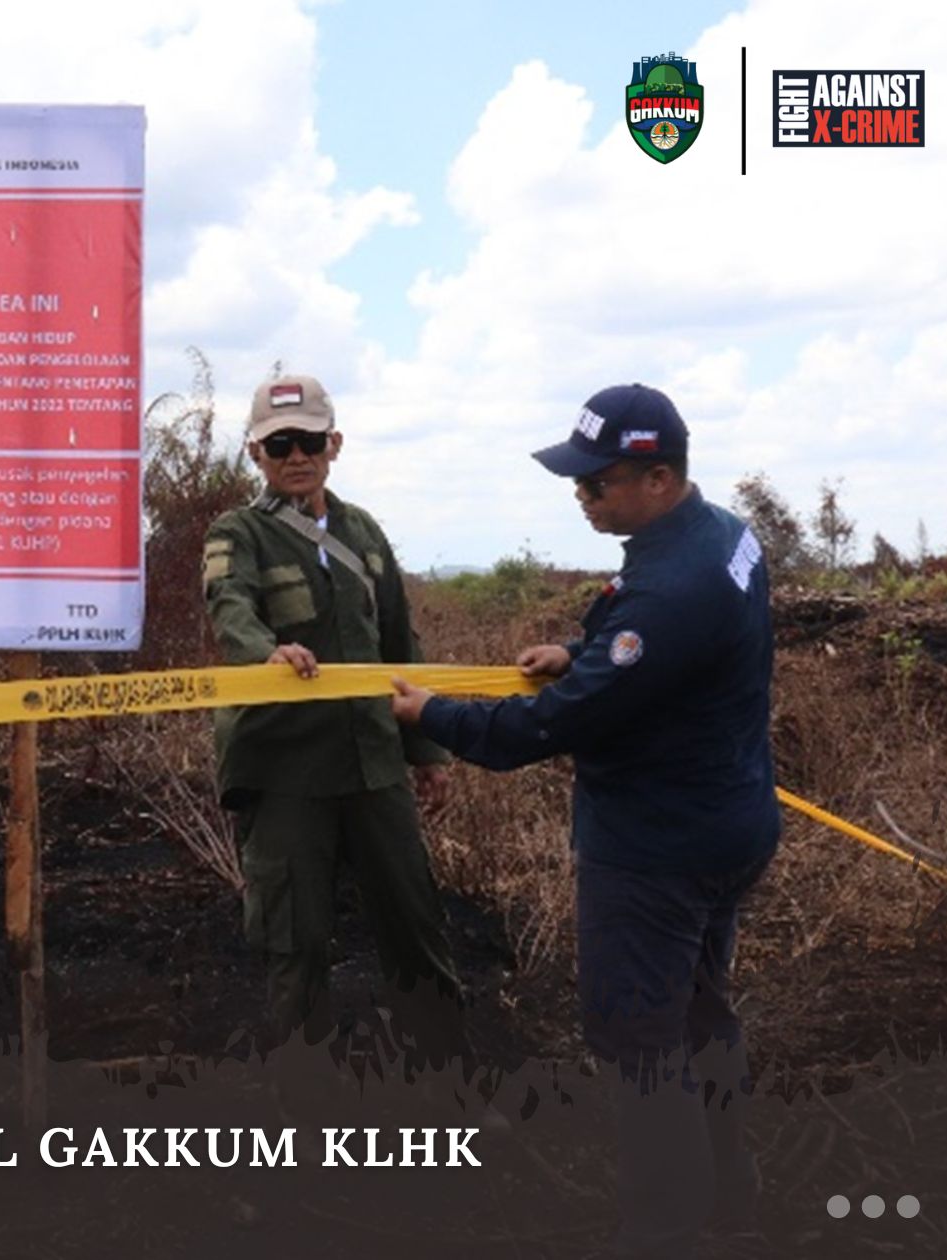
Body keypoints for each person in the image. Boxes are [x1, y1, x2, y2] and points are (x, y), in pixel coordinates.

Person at [388, 383, 777, 1256]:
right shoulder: (723, 536)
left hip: (657, 852)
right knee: (699, 1015)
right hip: (727, 821)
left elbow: (551, 724)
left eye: (597, 482)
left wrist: (433, 716)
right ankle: (729, 1205)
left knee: (643, 1041)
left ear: (660, 477)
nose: (582, 495)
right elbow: (663, 655)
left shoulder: (672, 591)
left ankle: (663, 1230)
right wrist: (583, 650)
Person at [203, 373, 467, 1075]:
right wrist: (268, 653)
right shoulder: (239, 533)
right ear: (255, 453)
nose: (296, 456)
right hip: (286, 770)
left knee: (415, 924)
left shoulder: (364, 534)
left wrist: (427, 751)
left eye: (309, 440)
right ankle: (303, 1098)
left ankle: (448, 1080)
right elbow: (230, 607)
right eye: (278, 443)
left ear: (334, 444)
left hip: (374, 766)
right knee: (296, 942)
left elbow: (399, 646)